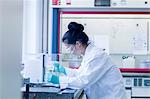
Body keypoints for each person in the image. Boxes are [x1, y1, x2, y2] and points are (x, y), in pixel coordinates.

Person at [48, 22, 127, 99]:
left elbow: (84, 81)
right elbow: (81, 73)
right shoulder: (88, 55)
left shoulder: (96, 56)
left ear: (78, 44)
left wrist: (59, 80)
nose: (69, 51)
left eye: (69, 47)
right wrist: (64, 70)